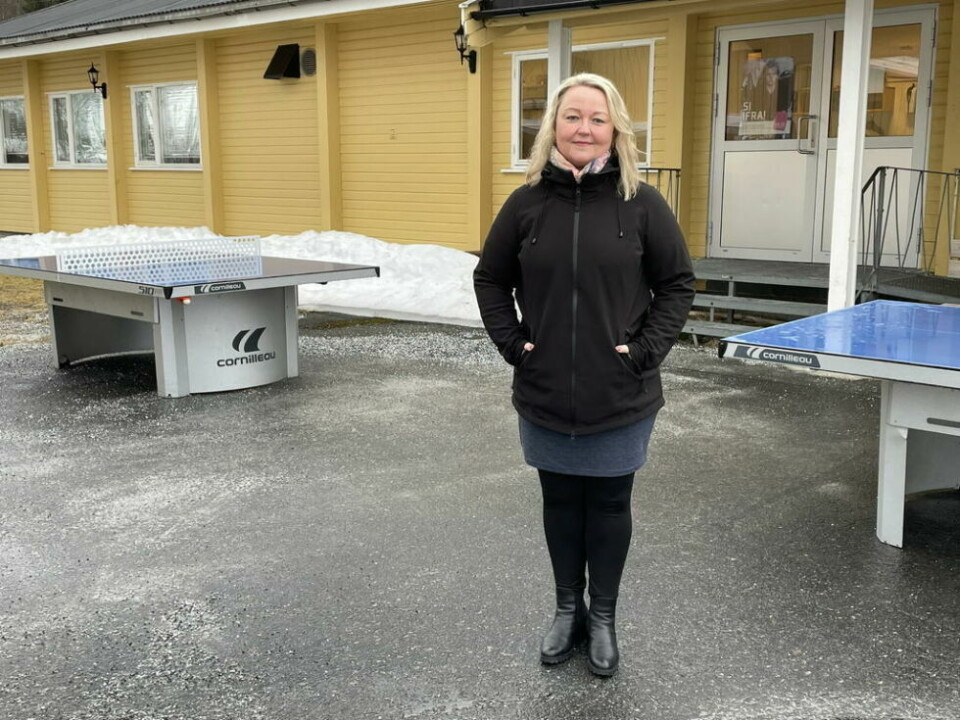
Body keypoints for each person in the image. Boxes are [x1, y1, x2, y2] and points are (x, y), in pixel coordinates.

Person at [473, 73, 695, 677]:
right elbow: (490, 278)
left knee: (610, 501)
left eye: (597, 119)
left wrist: (645, 351)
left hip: (620, 392)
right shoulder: (525, 205)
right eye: (573, 117)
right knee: (560, 499)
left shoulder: (642, 204)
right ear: (553, 126)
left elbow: (677, 283)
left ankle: (603, 620)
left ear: (615, 129)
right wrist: (515, 346)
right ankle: (566, 611)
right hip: (544, 388)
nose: (584, 129)